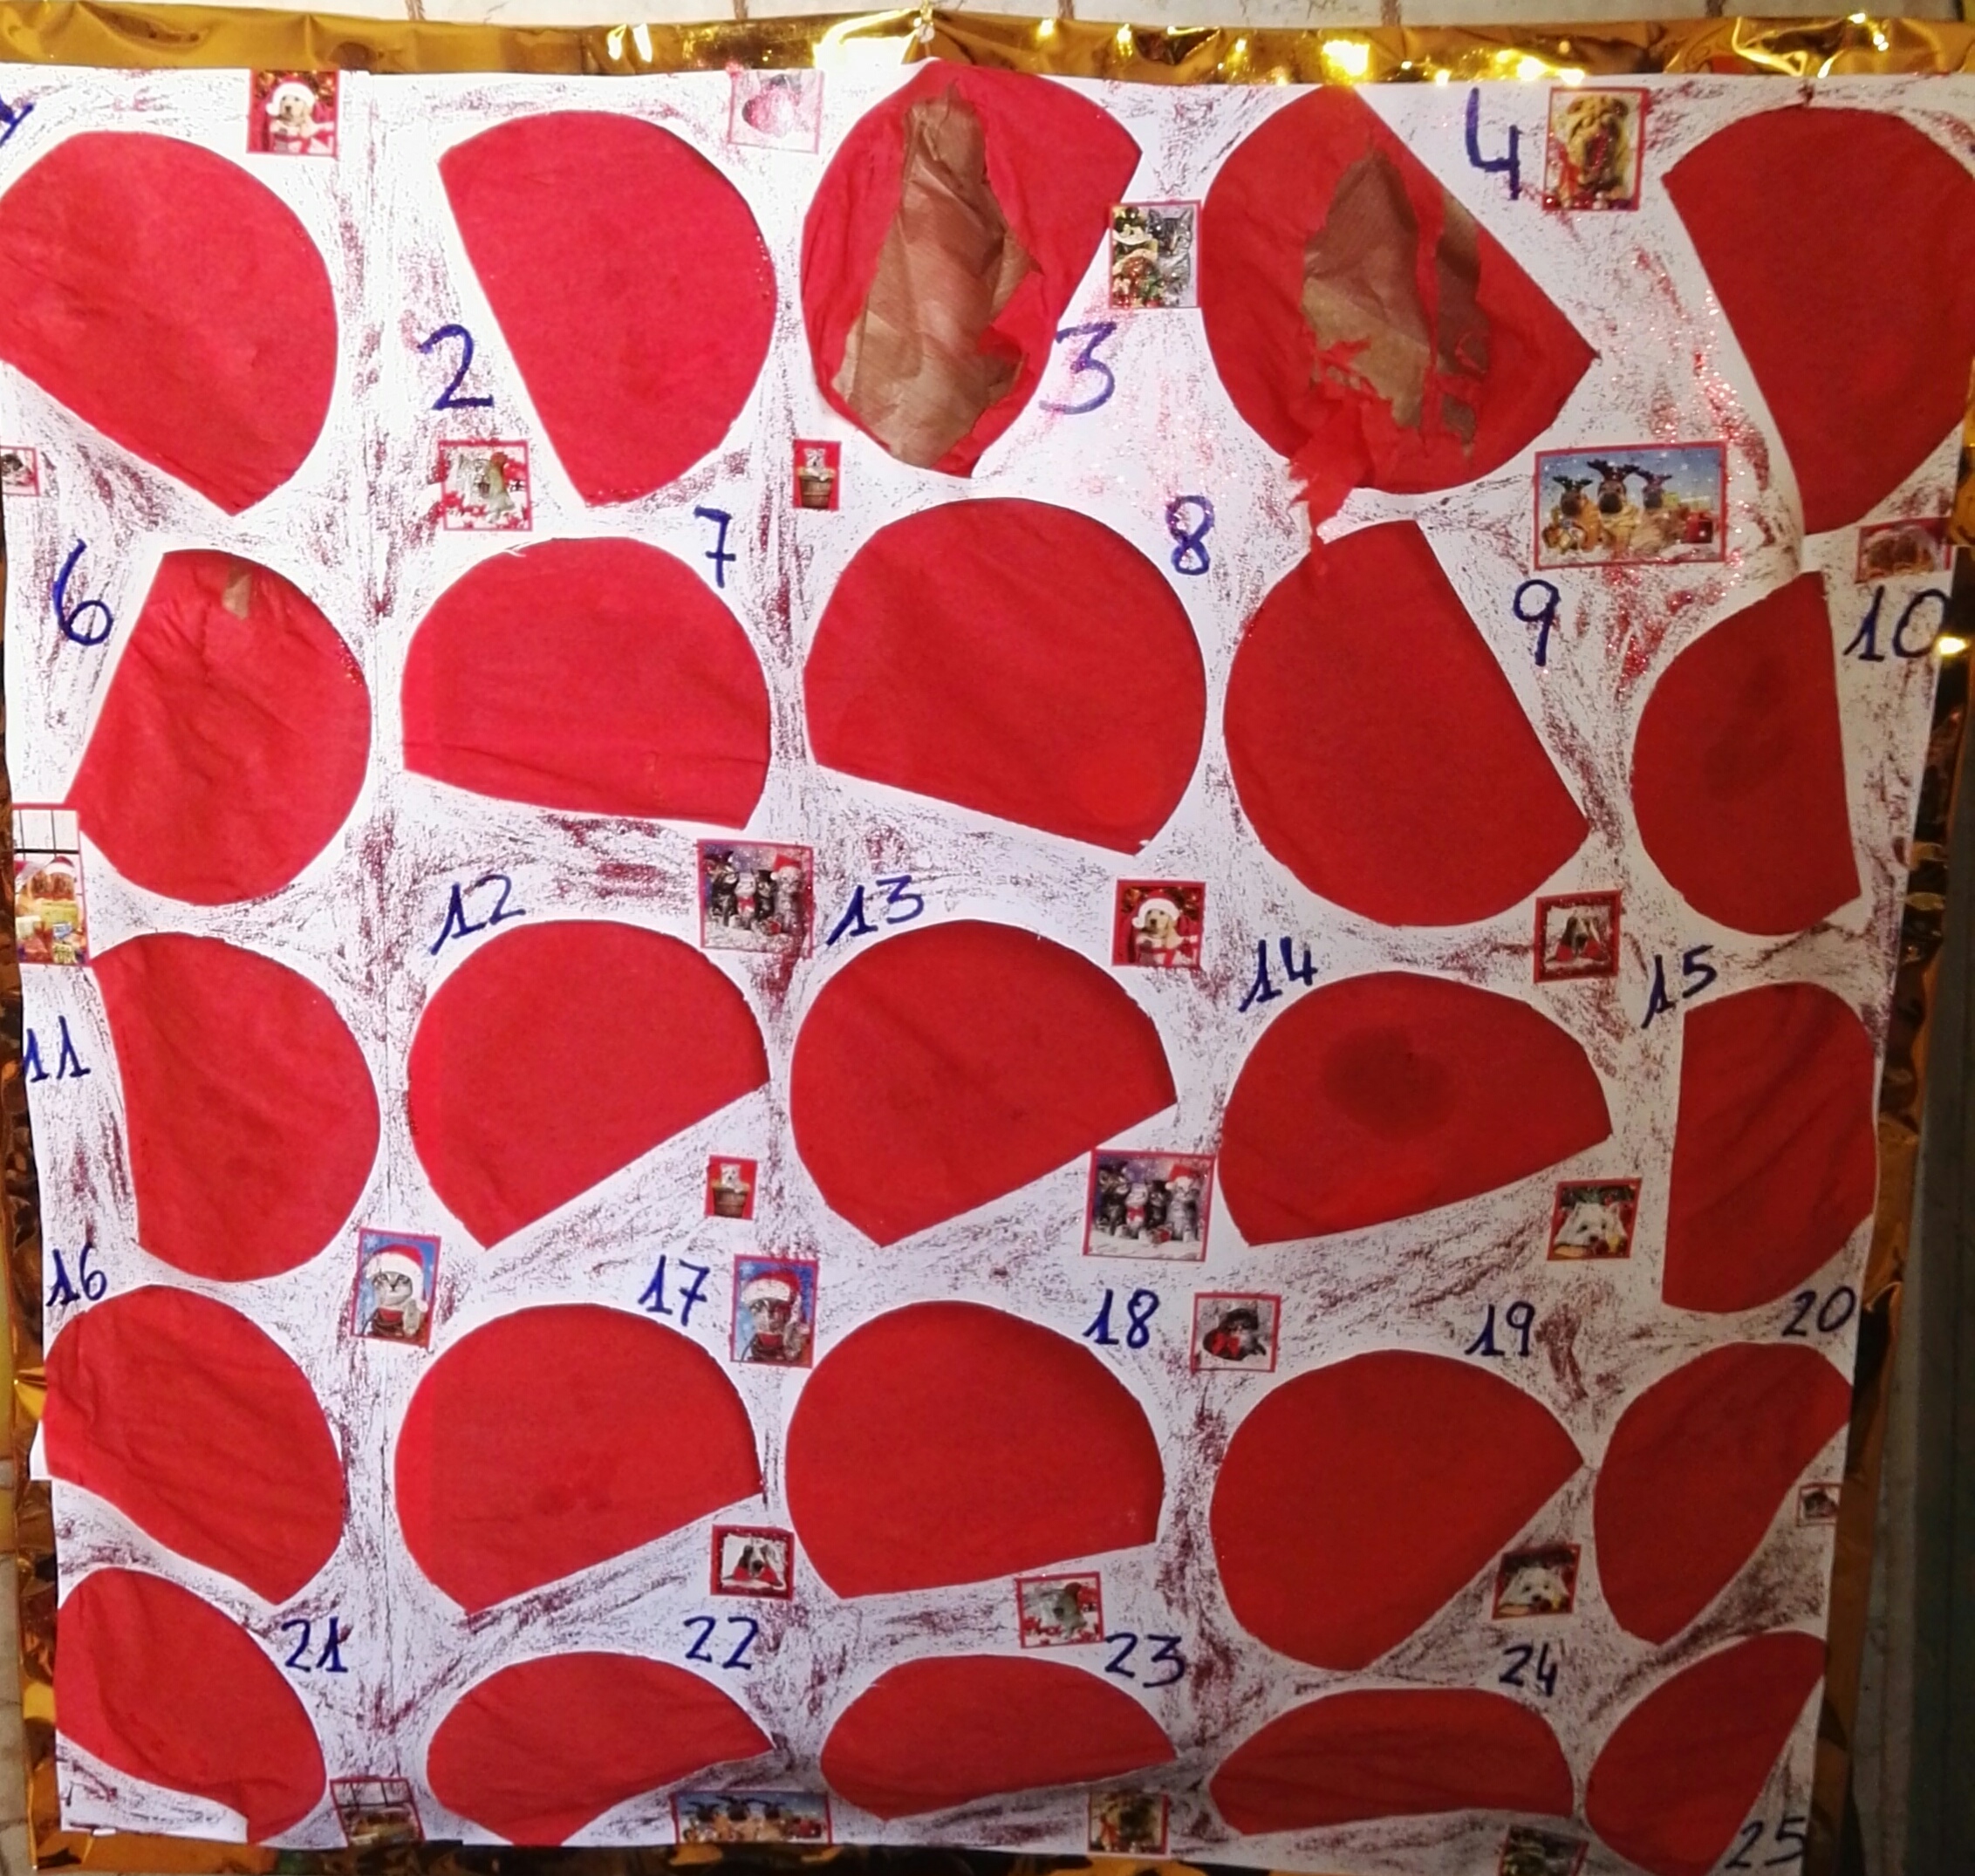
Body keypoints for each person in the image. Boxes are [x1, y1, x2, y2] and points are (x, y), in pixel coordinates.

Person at [738, 1269, 810, 1364]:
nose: (766, 1316)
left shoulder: (810, 1346)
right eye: (757, 1307)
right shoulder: (748, 1345)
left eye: (777, 1305)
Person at [359, 1245, 428, 1340]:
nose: (392, 1284)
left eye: (401, 1278)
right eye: (384, 1277)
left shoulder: (429, 1321)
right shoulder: (369, 1317)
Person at [1131, 894, 1198, 968]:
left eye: (1162, 913)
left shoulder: (1175, 937)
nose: (1153, 918)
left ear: (1170, 919)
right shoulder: (1142, 939)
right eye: (1149, 912)